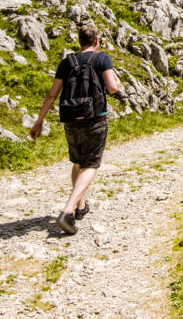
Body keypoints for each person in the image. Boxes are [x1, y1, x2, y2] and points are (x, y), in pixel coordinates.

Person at [30, 23, 124, 235]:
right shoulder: (102, 58)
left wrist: (39, 121)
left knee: (77, 162)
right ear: (97, 41)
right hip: (94, 120)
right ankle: (68, 210)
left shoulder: (67, 62)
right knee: (91, 165)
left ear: (80, 41)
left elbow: (52, 94)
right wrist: (116, 80)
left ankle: (81, 206)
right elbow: (111, 87)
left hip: (70, 120)